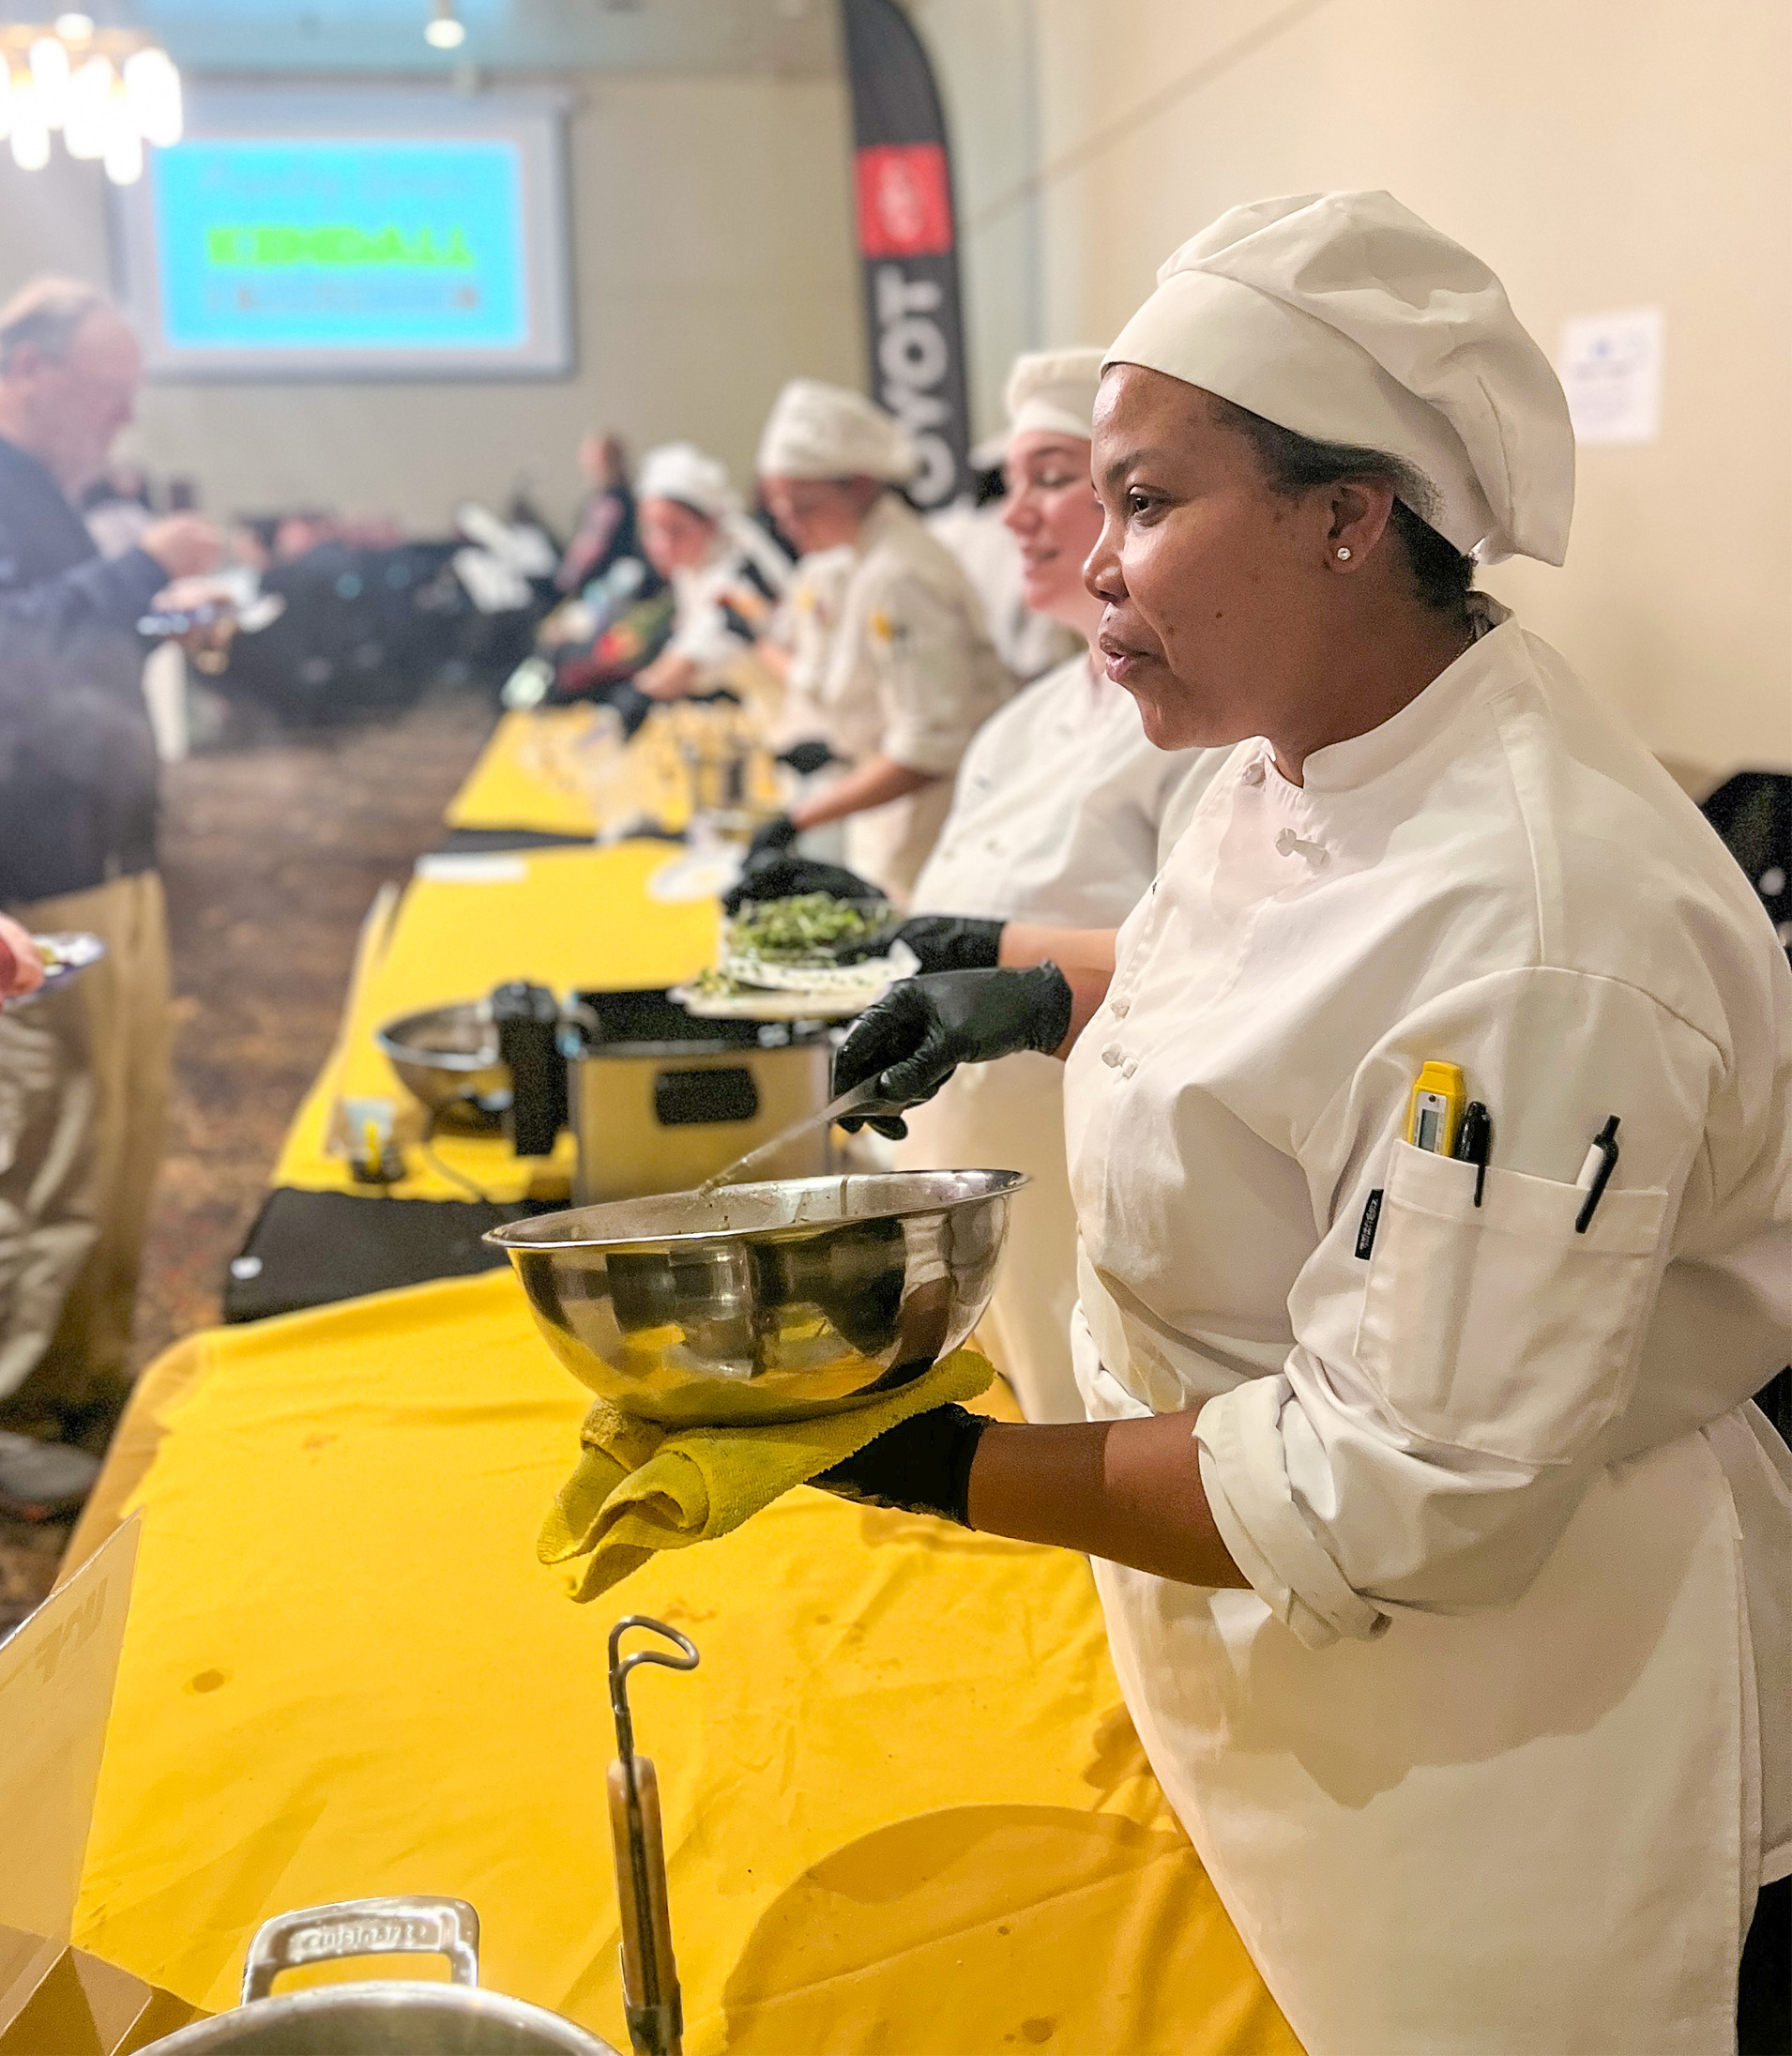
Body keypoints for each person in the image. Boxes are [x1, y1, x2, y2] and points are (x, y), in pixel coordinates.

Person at [823, 192, 1792, 2053]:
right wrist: (1034, 994)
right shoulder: (1292, 747)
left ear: (1350, 517)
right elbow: (1258, 997)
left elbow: (1392, 1491)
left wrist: (918, 1464)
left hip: (1494, 1727)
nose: (1094, 565)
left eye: (1145, 501)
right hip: (1273, 1652)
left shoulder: (1541, 934)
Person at [0, 277, 221, 1509]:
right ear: (25, 371)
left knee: (121, 1132)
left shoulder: (47, 497)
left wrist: (149, 612)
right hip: (37, 870)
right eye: (103, 390)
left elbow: (61, 659)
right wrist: (137, 566)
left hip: (107, 847)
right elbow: (12, 651)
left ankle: (82, 1380)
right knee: (56, 1144)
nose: (119, 417)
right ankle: (19, 1403)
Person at [749, 379, 1013, 901]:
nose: (789, 524)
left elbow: (929, 746)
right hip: (878, 805)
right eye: (778, 509)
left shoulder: (900, 576)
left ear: (862, 485)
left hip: (929, 820)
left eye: (803, 505)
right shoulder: (846, 560)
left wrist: (798, 818)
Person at [630, 442, 791, 703]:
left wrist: (637, 694)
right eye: (651, 530)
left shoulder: (739, 569)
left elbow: (689, 658)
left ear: (711, 522)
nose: (662, 545)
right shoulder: (692, 566)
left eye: (675, 530)